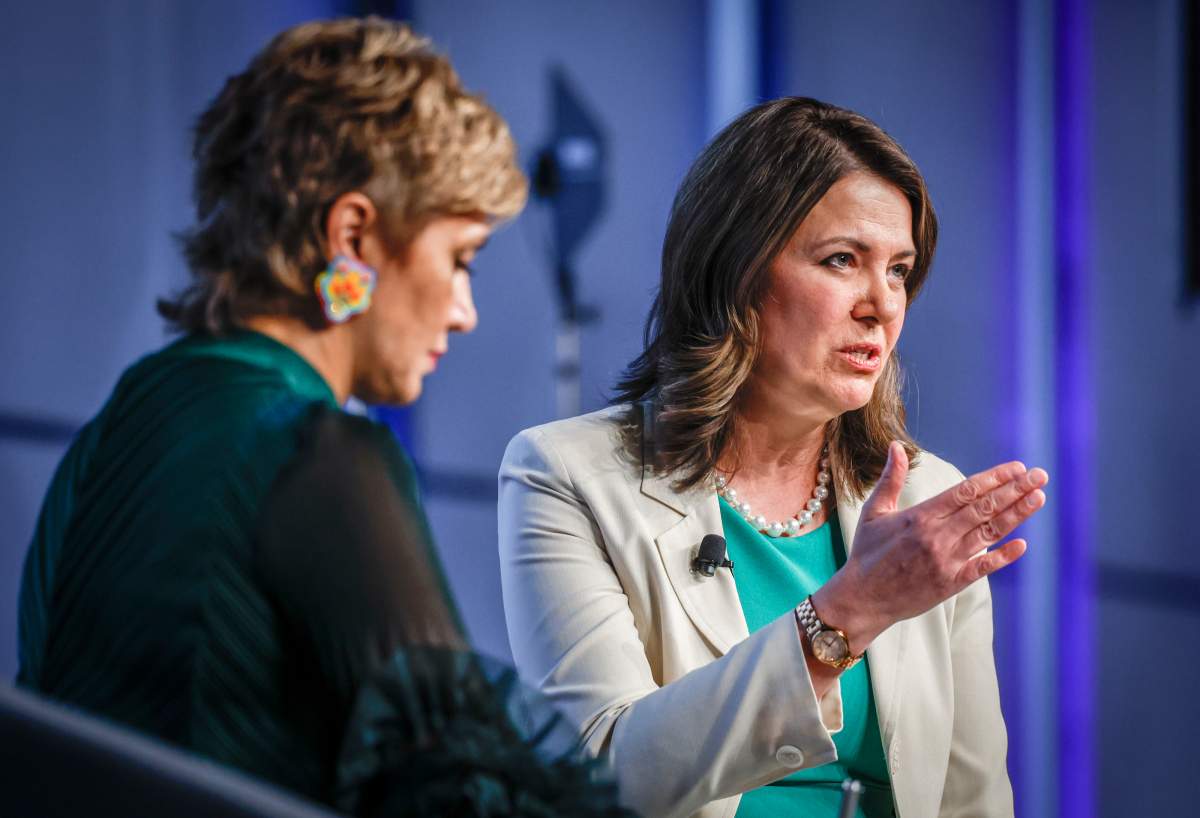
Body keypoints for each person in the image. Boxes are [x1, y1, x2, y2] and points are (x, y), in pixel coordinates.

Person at [17, 18, 627, 817]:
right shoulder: (320, 453)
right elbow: (467, 797)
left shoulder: (119, 424)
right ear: (352, 236)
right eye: (460, 259)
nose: (466, 311)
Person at [498, 97, 1048, 818]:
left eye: (899, 270)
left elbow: (972, 798)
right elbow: (603, 776)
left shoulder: (926, 499)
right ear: (737, 270)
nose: (882, 305)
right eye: (843, 260)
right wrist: (846, 615)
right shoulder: (566, 477)